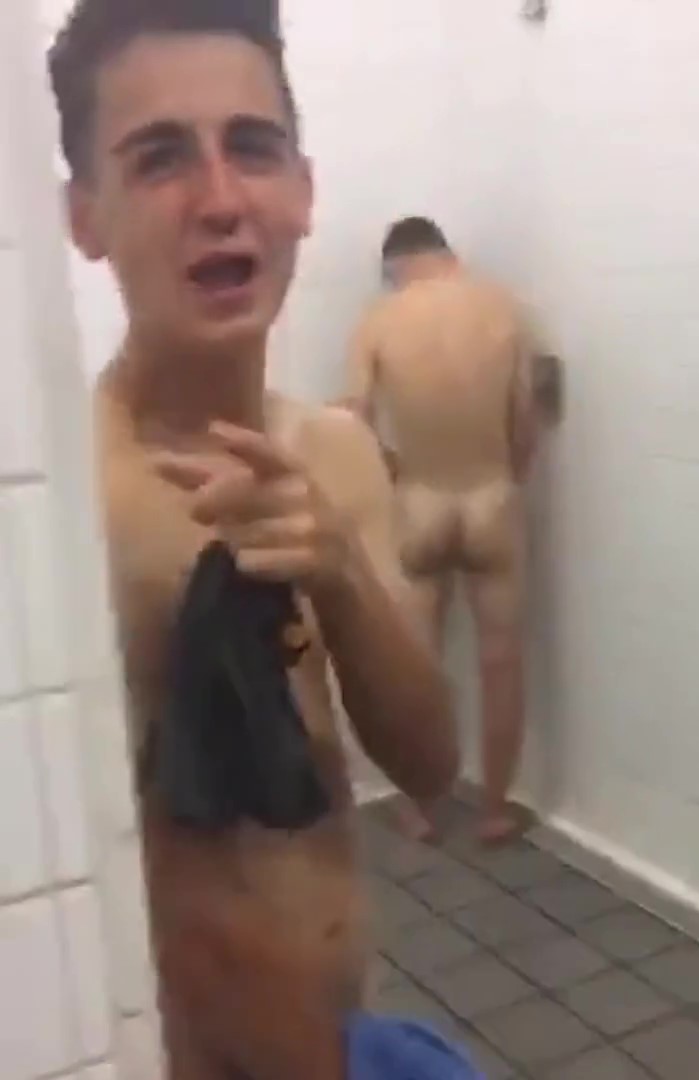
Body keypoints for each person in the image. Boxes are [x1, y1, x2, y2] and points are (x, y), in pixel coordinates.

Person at [48, 7, 456, 1079]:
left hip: (350, 1033)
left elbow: (427, 766)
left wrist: (339, 572)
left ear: (304, 192)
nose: (222, 200)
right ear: (85, 218)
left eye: (253, 148)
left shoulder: (338, 452)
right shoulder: (66, 507)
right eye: (161, 158)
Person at [342, 216, 556, 847]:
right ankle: (494, 810)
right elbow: (529, 416)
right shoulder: (505, 309)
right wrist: (511, 473)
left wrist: (391, 469)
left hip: (420, 501)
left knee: (417, 665)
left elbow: (354, 418)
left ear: (395, 265)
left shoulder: (379, 321)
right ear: (446, 253)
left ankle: (420, 808)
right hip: (491, 496)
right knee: (501, 661)